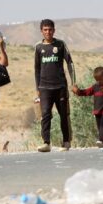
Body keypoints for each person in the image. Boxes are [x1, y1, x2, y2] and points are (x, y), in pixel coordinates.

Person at [34, 19, 76, 152]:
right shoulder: (38, 47)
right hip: (44, 88)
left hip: (60, 87)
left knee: (64, 115)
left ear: (54, 30)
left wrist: (73, 83)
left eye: (50, 29)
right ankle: (46, 143)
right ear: (41, 31)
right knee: (45, 115)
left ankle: (66, 142)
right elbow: (37, 69)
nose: (48, 32)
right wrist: (37, 88)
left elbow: (70, 63)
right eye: (45, 30)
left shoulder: (60, 44)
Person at [72, 67, 103, 147]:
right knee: (100, 127)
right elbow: (86, 92)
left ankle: (101, 140)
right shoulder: (95, 87)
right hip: (97, 111)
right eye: (97, 80)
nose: (98, 82)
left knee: (102, 126)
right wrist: (78, 91)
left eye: (100, 79)